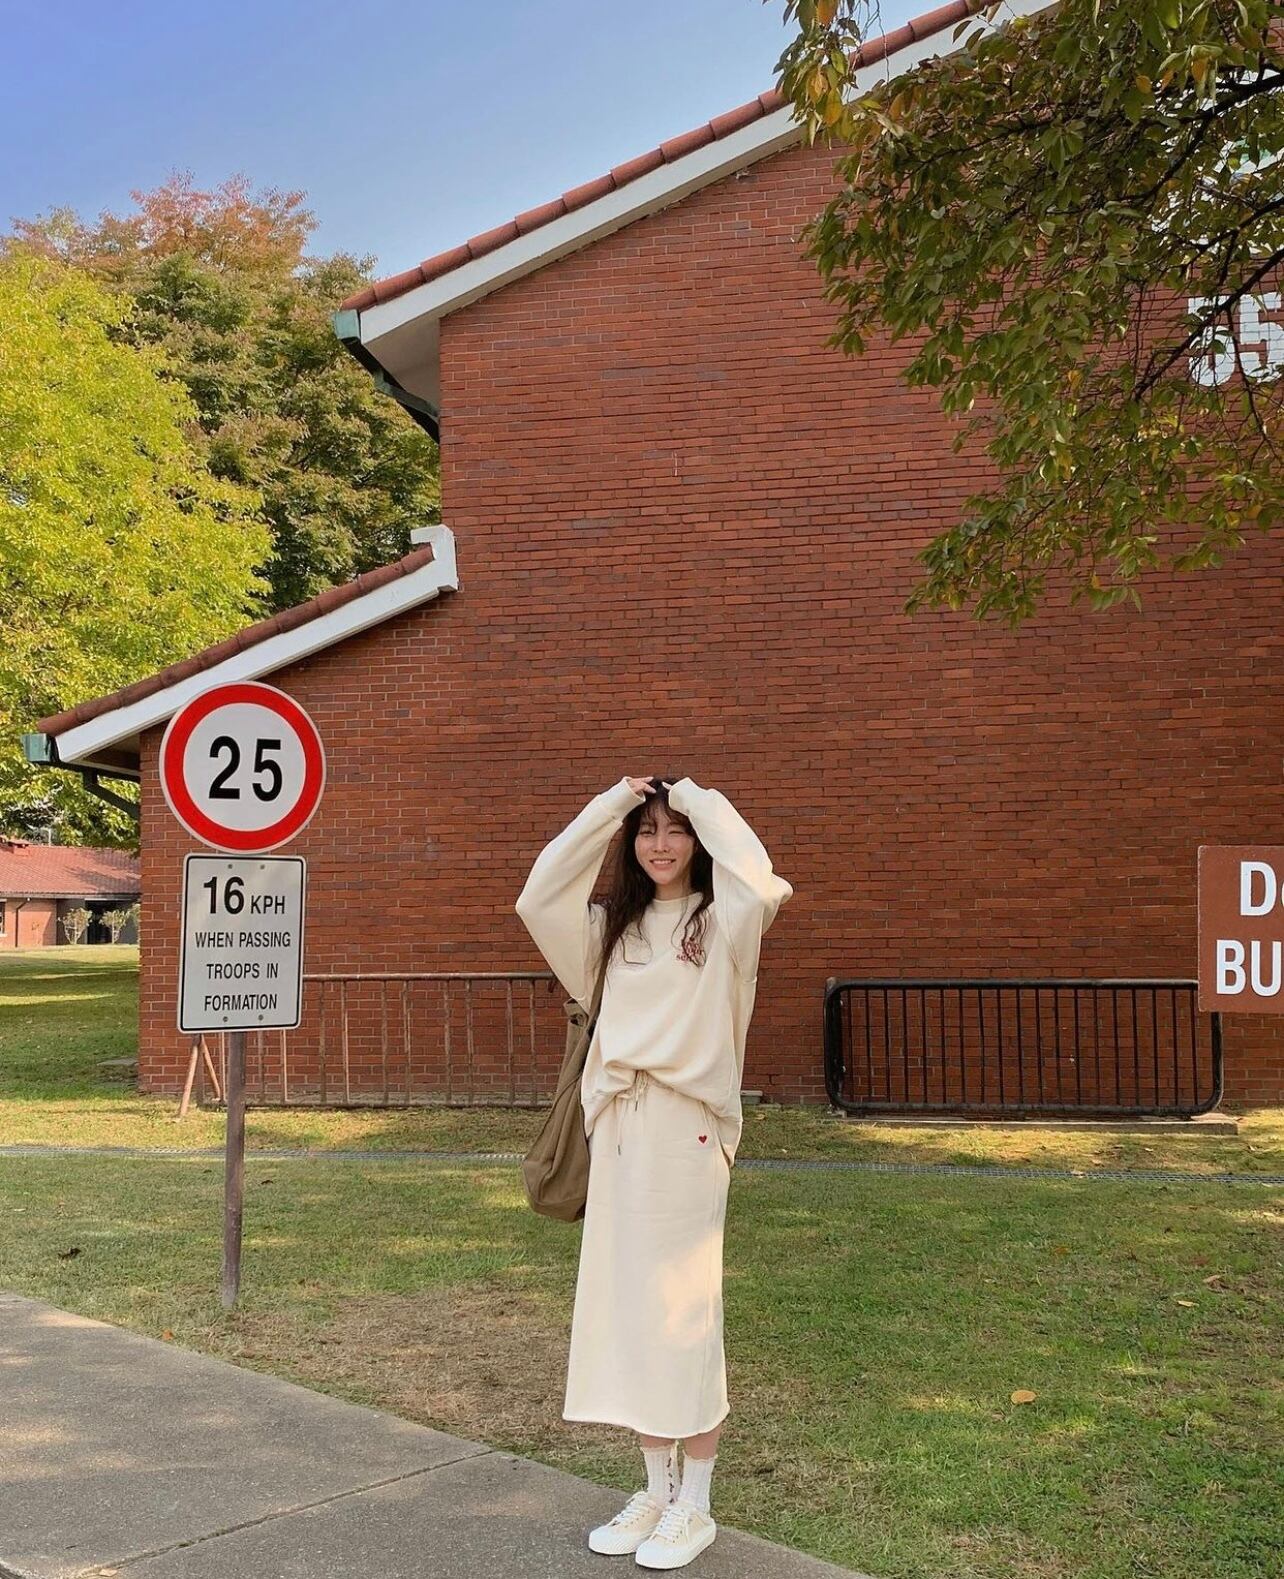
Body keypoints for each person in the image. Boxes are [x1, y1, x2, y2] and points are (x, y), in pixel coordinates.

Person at [515, 773, 793, 1569]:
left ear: (698, 838)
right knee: (628, 1310)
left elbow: (759, 880)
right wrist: (610, 805)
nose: (661, 843)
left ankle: (695, 1500)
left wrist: (697, 796)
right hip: (619, 1132)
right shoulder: (613, 930)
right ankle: (655, 1488)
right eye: (648, 830)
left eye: (676, 829)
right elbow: (539, 896)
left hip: (688, 1133)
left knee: (683, 1314)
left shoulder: (726, 921)